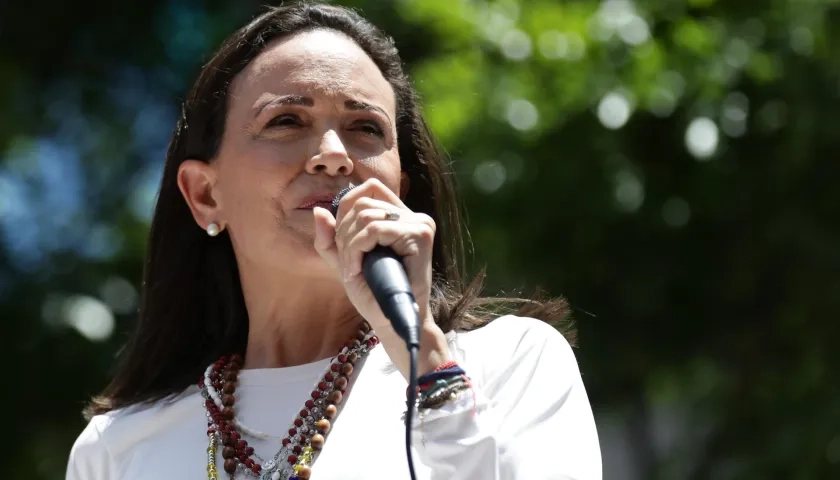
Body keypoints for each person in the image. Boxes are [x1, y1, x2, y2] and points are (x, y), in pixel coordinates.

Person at [65, 2, 601, 479]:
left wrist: (427, 360)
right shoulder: (115, 450)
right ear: (206, 194)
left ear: (399, 191)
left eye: (366, 128)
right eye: (286, 120)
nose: (332, 154)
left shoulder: (511, 365)